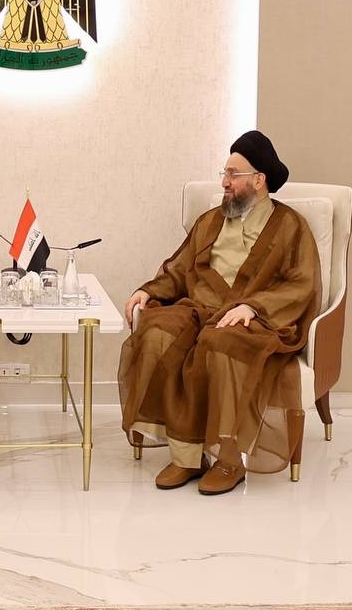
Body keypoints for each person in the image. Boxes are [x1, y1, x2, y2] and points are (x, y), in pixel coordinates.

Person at [120, 131, 321, 496]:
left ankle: (229, 459)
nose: (224, 182)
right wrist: (148, 290)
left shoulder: (291, 226)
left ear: (259, 180)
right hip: (200, 309)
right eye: (224, 173)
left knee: (221, 343)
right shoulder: (210, 220)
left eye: (233, 174)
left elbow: (301, 284)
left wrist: (252, 306)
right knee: (158, 332)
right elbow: (179, 270)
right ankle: (187, 457)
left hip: (255, 319)